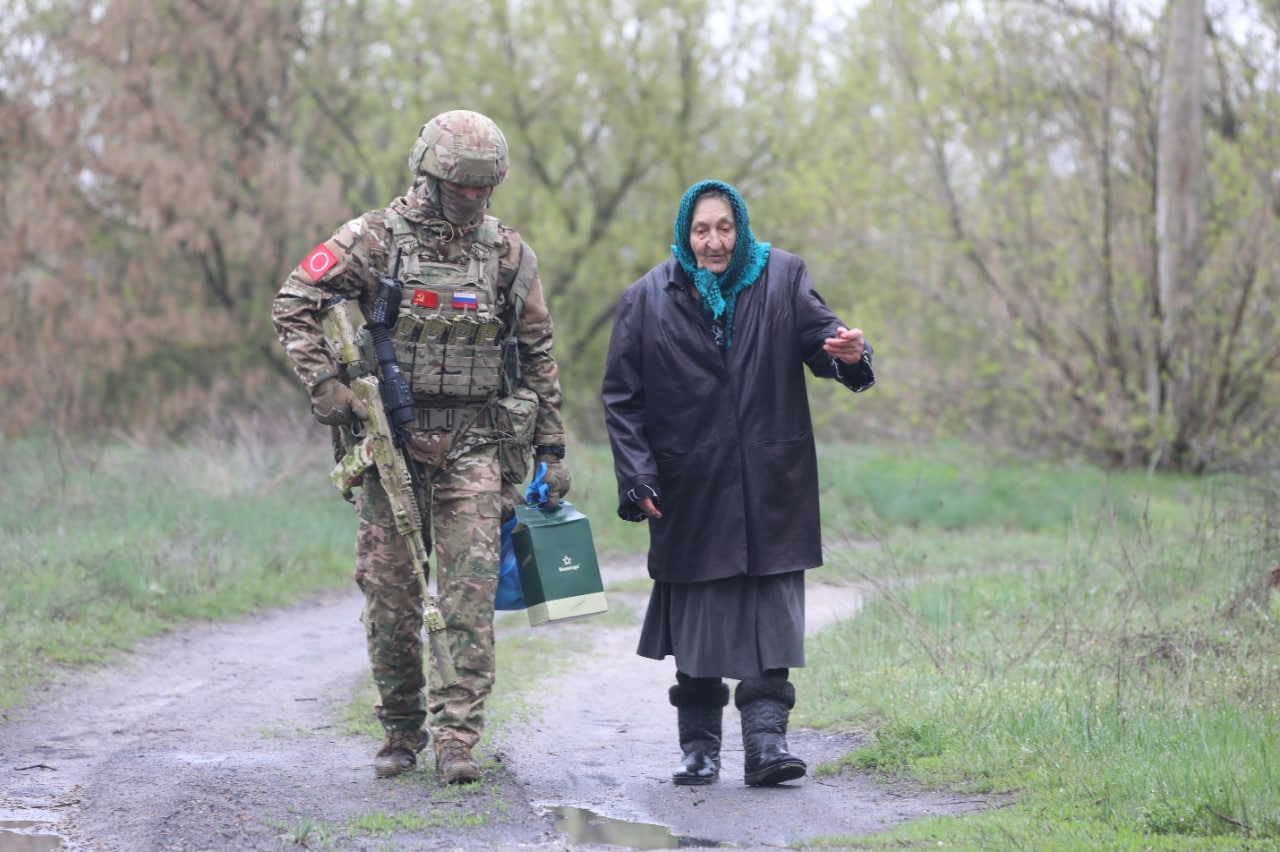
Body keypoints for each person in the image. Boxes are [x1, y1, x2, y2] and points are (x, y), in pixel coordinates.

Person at [272, 110, 570, 784]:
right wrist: (325, 384)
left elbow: (537, 353)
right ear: (429, 177)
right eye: (463, 187)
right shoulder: (373, 239)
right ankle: (401, 730)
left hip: (476, 442)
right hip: (390, 443)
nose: (474, 199)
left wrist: (552, 449)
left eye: (484, 189)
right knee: (391, 596)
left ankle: (457, 740)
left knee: (467, 598)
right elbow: (294, 300)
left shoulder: (507, 254)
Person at [600, 179, 875, 788]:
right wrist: (638, 475)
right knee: (698, 623)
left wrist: (851, 356)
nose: (714, 241)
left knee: (771, 619)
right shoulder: (646, 298)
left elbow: (825, 343)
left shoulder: (783, 276)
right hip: (688, 486)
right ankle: (699, 749)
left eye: (724, 227)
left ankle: (767, 745)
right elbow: (622, 399)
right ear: (685, 234)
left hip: (771, 483)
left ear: (741, 228)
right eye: (702, 229)